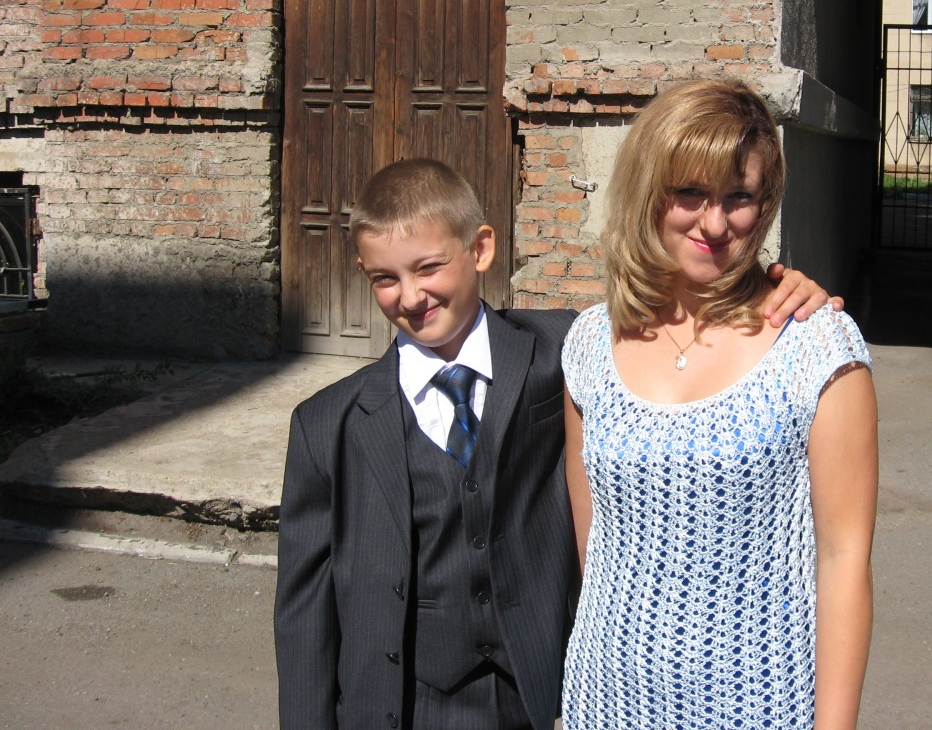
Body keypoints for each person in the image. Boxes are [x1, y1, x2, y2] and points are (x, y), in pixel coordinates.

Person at [274, 157, 841, 730]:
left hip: (539, 697)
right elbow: (304, 621)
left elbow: (678, 325)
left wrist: (780, 287)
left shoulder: (566, 348)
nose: (412, 295)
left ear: (480, 249)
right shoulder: (326, 427)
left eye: (429, 268)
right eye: (385, 279)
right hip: (406, 706)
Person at [561, 79, 879, 730]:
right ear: (649, 189)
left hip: (758, 704)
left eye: (739, 197)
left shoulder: (816, 347)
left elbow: (845, 562)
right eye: (690, 193)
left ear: (765, 204)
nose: (713, 223)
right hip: (607, 700)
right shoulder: (591, 343)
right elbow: (596, 549)